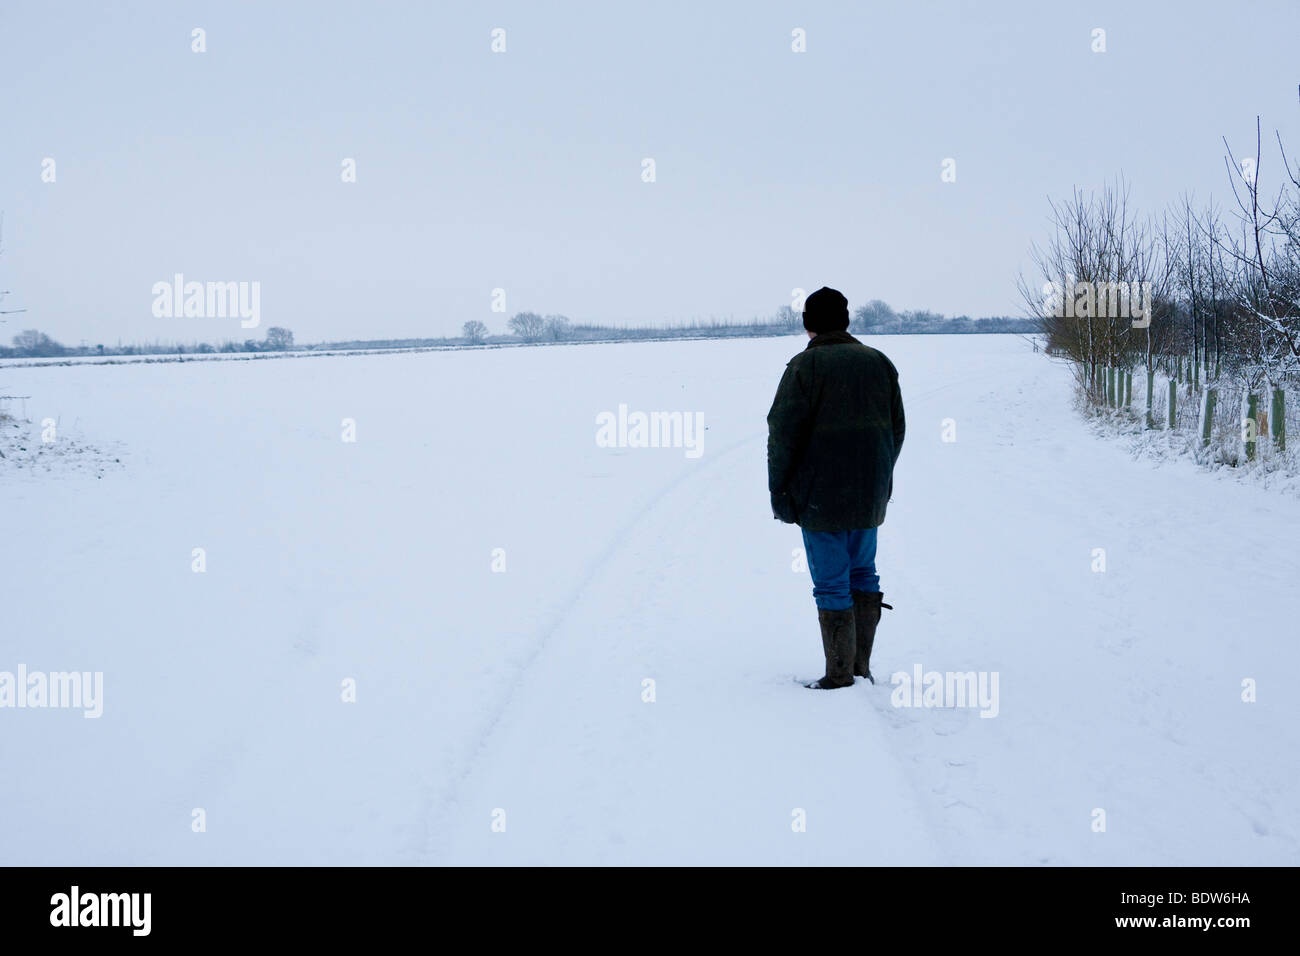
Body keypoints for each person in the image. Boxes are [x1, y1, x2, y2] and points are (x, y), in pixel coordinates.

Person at [766, 287, 906, 689]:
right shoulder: (879, 362)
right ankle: (859, 667)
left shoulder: (803, 368)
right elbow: (897, 429)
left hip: (820, 498)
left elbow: (782, 435)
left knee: (831, 580)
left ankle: (841, 674)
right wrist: (878, 475)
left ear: (808, 324)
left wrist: (781, 492)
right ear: (846, 321)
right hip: (868, 493)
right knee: (864, 570)